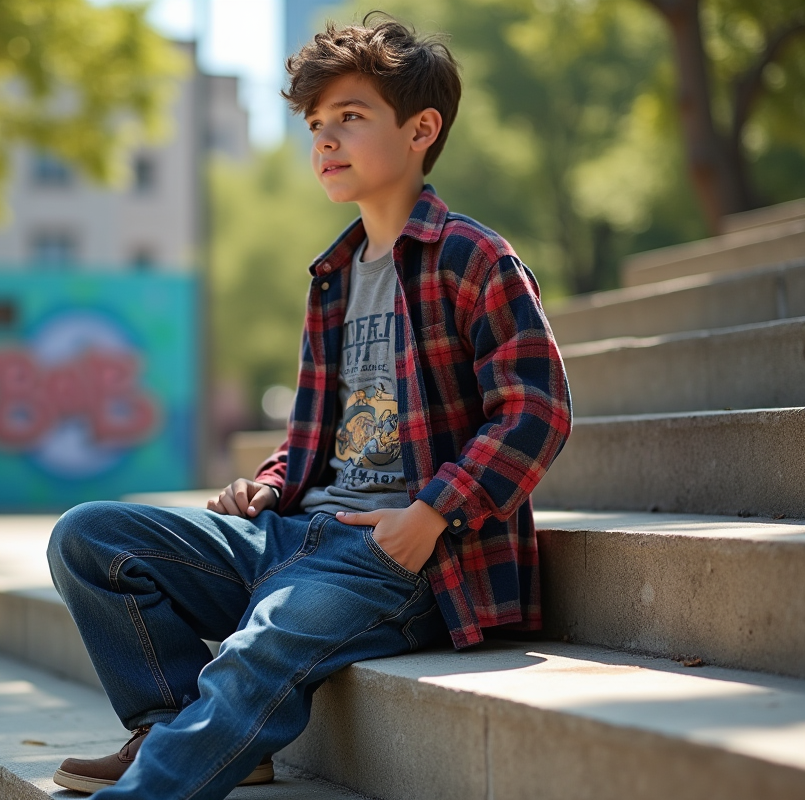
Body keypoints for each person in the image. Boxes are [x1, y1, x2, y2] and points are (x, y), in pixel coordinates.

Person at [47, 14, 571, 800]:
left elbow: (537, 411)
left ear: (421, 128)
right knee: (89, 539)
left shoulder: (473, 257)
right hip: (291, 534)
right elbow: (318, 439)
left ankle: (151, 789)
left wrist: (431, 513)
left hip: (403, 558)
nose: (325, 140)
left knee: (260, 646)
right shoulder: (334, 274)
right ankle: (172, 727)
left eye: (350, 118)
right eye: (317, 124)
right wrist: (267, 483)